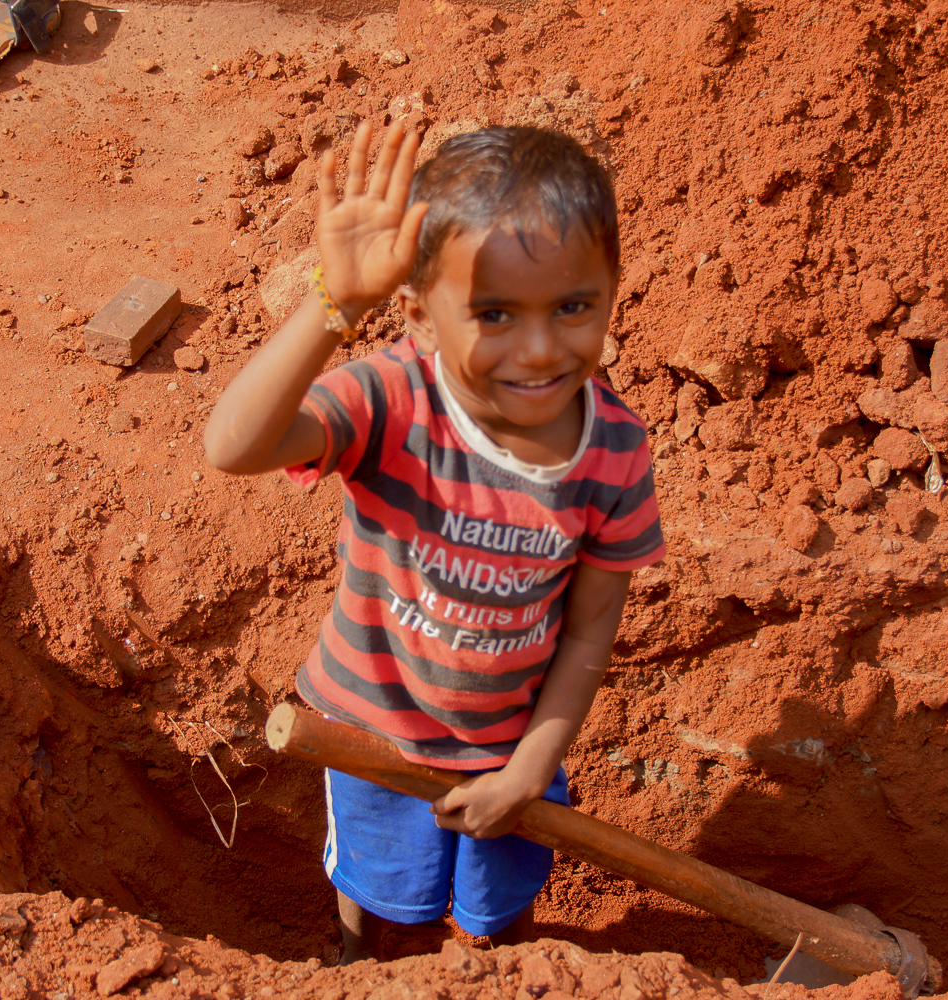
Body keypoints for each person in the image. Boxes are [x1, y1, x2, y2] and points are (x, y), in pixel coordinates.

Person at [204, 120, 665, 962]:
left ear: (611, 290)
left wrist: (528, 772)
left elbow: (591, 628)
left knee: (502, 908)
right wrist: (333, 305)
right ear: (418, 314)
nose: (539, 349)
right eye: (493, 314)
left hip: (509, 747)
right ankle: (356, 965)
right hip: (373, 733)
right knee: (374, 892)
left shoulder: (615, 451)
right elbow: (234, 446)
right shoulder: (392, 401)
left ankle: (507, 971)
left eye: (573, 306)